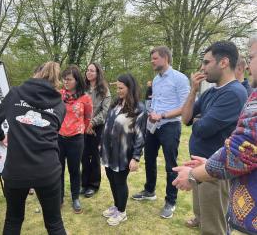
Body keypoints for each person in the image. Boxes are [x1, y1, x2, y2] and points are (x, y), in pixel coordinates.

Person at [173, 35, 257, 235]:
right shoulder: (210, 93)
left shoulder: (235, 93)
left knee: (214, 228)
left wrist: (198, 120)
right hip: (206, 164)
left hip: (217, 172)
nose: (202, 68)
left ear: (224, 62)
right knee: (204, 219)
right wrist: (193, 90)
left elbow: (202, 128)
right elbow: (186, 119)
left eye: (206, 62)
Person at [0, 62, 67, 235]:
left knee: (13, 220)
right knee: (54, 224)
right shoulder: (60, 106)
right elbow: (52, 130)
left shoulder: (15, 94)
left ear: (35, 74)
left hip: (17, 170)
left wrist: (0, 136)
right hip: (48, 170)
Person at [132, 46, 190, 219]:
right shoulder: (156, 80)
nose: (152, 61)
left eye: (155, 58)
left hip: (170, 126)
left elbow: (186, 107)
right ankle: (149, 191)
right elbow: (155, 102)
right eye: (152, 58)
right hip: (153, 126)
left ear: (165, 58)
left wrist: (163, 115)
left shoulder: (180, 78)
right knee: (149, 159)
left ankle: (171, 201)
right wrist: (151, 114)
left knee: (170, 165)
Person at [101, 73, 147, 226]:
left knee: (120, 181)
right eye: (117, 88)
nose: (118, 91)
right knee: (111, 179)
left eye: (121, 88)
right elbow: (108, 126)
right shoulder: (116, 104)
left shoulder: (139, 109)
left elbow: (140, 136)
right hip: (109, 152)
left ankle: (122, 212)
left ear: (130, 87)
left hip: (123, 153)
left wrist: (136, 157)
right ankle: (116, 206)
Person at [59, 65, 92, 213]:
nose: (66, 81)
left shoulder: (85, 98)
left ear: (77, 80)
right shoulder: (59, 95)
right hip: (58, 138)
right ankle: (58, 198)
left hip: (76, 139)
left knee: (74, 170)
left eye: (69, 79)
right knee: (58, 170)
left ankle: (75, 198)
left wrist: (80, 130)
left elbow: (88, 117)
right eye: (64, 79)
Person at [81, 62, 111, 198]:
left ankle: (93, 185)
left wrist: (92, 123)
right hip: (82, 127)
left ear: (98, 73)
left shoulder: (104, 90)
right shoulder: (82, 88)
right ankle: (84, 183)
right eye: (87, 70)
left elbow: (105, 112)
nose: (89, 72)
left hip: (96, 127)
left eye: (92, 70)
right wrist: (84, 123)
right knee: (83, 155)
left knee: (94, 155)